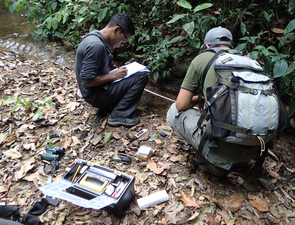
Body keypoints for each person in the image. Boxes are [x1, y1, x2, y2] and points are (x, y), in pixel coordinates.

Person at [166, 27, 274, 189]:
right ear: (230, 46)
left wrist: (199, 98)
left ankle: (209, 162)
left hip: (222, 151)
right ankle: (237, 158)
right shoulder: (251, 62)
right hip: (255, 149)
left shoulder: (203, 59)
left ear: (207, 47)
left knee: (173, 111)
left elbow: (181, 104)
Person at [75, 13, 148, 127]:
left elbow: (107, 61)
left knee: (133, 73)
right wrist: (113, 76)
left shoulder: (97, 37)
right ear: (116, 29)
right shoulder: (96, 46)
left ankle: (112, 106)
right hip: (95, 96)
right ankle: (118, 115)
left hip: (96, 91)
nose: (123, 44)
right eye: (124, 39)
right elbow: (87, 82)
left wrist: (115, 70)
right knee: (142, 76)